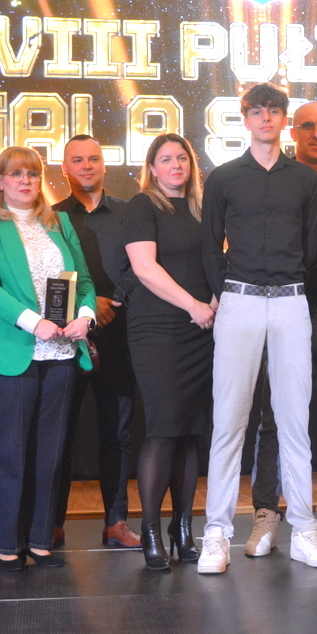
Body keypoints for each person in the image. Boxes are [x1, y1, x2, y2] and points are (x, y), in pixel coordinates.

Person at [198, 83, 317, 574]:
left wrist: (298, 293)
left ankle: (303, 528)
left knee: (295, 421)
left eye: (274, 111)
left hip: (291, 302)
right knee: (229, 421)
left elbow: (314, 247)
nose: (266, 119)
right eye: (257, 111)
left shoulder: (305, 181)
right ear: (246, 119)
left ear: (283, 120)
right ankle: (216, 533)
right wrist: (225, 291)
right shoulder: (224, 178)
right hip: (240, 301)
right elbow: (209, 245)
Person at [0, 146, 96, 571]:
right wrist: (33, 322)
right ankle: (3, 542)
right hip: (10, 352)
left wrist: (85, 317)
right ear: (0, 181)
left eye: (32, 174)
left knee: (50, 453)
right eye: (16, 174)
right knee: (8, 452)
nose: (25, 181)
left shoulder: (59, 222)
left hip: (60, 352)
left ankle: (40, 540)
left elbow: (84, 282)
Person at [243, 100, 317, 557]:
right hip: (282, 310)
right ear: (293, 131)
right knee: (274, 419)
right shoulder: (275, 180)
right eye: (307, 126)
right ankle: (266, 514)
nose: (316, 133)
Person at [122, 133, 215, 570]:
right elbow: (144, 268)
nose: (176, 165)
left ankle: (183, 529)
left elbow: (215, 263)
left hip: (201, 328)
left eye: (182, 157)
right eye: (165, 159)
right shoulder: (143, 206)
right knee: (163, 428)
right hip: (158, 328)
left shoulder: (202, 209)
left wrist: (213, 301)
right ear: (152, 169)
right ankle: (151, 531)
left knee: (191, 429)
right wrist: (194, 305)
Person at [51, 134, 140, 550]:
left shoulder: (129, 213)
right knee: (60, 434)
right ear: (64, 168)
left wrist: (111, 302)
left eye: (93, 159)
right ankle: (51, 523)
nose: (86, 166)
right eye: (77, 160)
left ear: (104, 164)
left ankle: (116, 522)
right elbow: (47, 276)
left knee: (117, 434)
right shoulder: (51, 217)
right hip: (66, 339)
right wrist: (85, 309)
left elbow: (142, 265)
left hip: (119, 334)